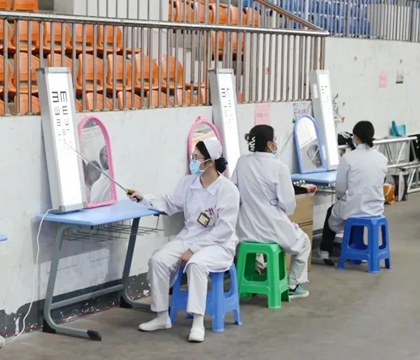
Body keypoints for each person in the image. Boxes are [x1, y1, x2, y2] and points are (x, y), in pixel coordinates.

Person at [127, 139, 240, 343]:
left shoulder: (228, 191)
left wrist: (194, 250)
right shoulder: (188, 183)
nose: (193, 162)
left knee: (196, 264)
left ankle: (198, 322)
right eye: (193, 157)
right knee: (159, 260)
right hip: (189, 237)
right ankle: (162, 316)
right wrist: (144, 198)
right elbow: (170, 202)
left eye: (196, 158)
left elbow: (223, 231)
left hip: (219, 245)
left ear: (210, 162)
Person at [231, 125, 311, 299]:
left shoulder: (242, 162)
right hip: (271, 227)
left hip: (245, 229)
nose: (275, 143)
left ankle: (252, 278)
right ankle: (293, 285)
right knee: (304, 242)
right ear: (269, 144)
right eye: (274, 139)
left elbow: (233, 193)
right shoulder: (279, 167)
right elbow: (288, 206)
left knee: (254, 249)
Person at [319, 121, 388, 265]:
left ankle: (325, 251)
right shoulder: (382, 158)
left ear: (355, 137)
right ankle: (352, 247)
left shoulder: (348, 158)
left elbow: (340, 188)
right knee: (349, 213)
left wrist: (343, 198)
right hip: (376, 208)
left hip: (353, 207)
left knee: (332, 212)